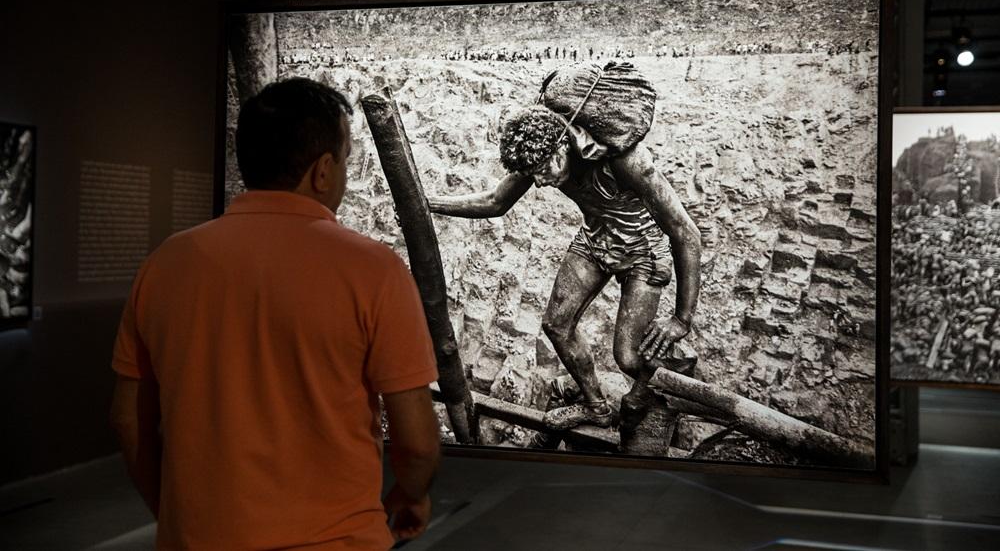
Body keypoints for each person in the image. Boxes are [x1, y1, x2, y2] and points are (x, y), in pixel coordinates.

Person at [110, 78, 440, 550]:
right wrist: (412, 493)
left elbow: (129, 420)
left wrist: (175, 516)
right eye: (345, 160)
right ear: (323, 171)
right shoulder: (373, 269)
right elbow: (418, 441)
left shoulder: (165, 263)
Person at [427, 103, 701, 446]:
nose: (540, 183)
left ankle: (679, 371)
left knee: (629, 358)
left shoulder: (626, 162)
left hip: (643, 250)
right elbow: (495, 202)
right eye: (534, 176)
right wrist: (428, 202)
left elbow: (686, 233)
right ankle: (596, 407)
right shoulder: (539, 155)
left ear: (562, 146)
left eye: (543, 171)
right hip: (595, 239)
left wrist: (681, 318)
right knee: (557, 325)